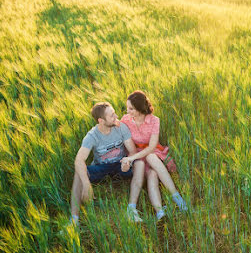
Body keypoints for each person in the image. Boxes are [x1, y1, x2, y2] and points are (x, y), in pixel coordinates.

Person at [70, 102, 145, 224]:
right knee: (79, 173)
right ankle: (74, 220)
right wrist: (86, 184)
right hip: (101, 168)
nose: (116, 116)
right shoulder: (92, 136)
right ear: (101, 120)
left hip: (120, 165)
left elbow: (132, 151)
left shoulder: (121, 127)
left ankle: (131, 210)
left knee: (140, 164)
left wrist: (128, 161)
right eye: (112, 115)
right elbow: (79, 160)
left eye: (114, 112)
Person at [120, 90, 187, 220]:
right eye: (127, 108)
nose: (127, 111)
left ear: (140, 109)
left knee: (152, 167)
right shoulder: (125, 120)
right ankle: (160, 212)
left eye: (131, 109)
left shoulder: (154, 121)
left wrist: (131, 158)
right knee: (146, 168)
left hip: (152, 152)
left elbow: (151, 147)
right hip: (136, 153)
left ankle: (176, 200)